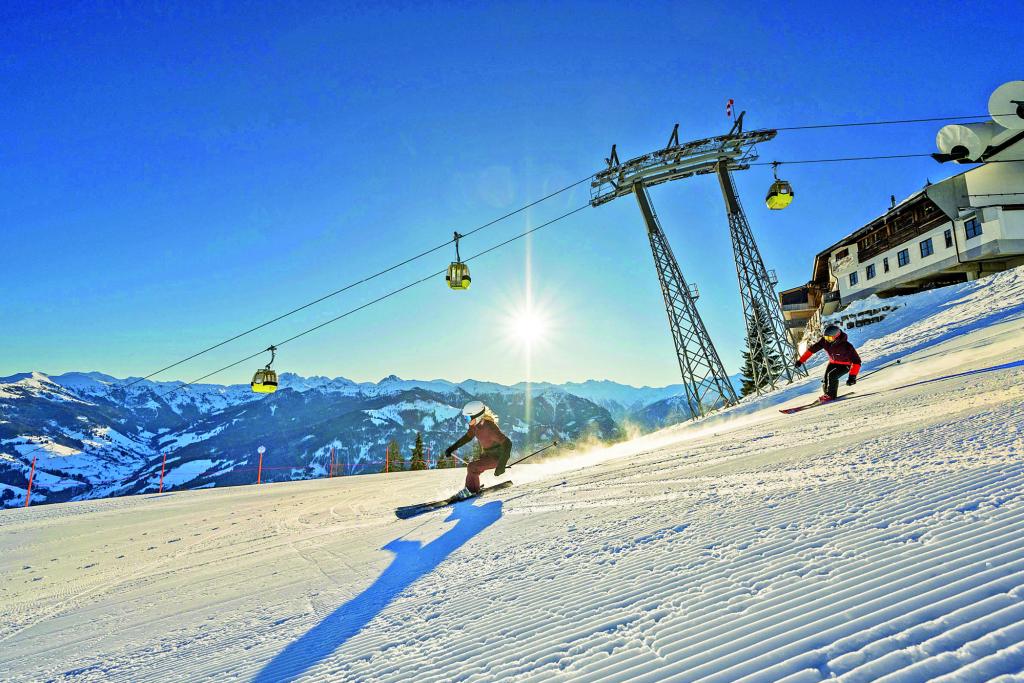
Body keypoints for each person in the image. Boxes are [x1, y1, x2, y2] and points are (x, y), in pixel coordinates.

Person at [444, 401, 513, 500]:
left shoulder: (490, 427)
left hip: (498, 457)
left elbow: (507, 443)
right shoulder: (474, 425)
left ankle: (471, 490)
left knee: (472, 467)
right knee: (473, 468)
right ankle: (472, 487)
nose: (466, 421)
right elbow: (468, 437)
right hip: (487, 455)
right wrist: (452, 448)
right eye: (465, 418)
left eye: (468, 418)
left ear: (478, 416)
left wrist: (502, 465)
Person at [794, 324, 862, 402]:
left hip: (845, 365)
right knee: (826, 379)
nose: (827, 340)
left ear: (836, 337)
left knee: (832, 376)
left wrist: (852, 377)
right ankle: (827, 394)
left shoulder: (847, 346)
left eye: (829, 338)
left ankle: (831, 395)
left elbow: (857, 361)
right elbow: (812, 350)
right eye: (826, 337)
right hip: (833, 363)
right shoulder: (824, 341)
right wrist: (800, 361)